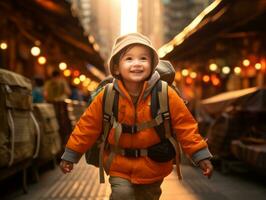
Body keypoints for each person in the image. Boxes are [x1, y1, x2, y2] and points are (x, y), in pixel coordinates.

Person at [59, 33, 213, 200]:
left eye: (143, 58)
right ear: (117, 67)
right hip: (119, 164)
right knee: (121, 194)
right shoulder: (107, 95)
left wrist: (200, 156)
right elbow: (86, 127)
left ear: (152, 64)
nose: (137, 64)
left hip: (153, 165)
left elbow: (185, 126)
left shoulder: (165, 93)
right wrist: (71, 155)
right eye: (129, 59)